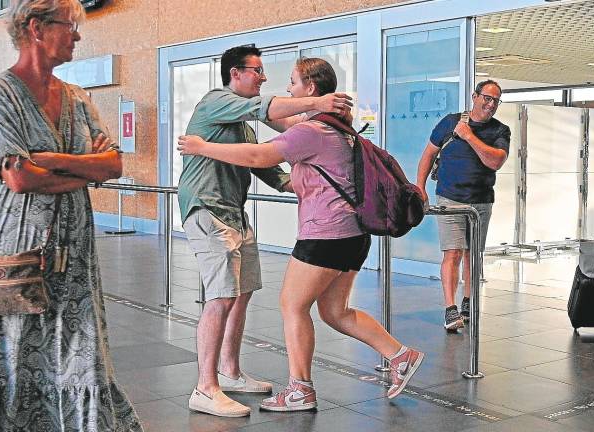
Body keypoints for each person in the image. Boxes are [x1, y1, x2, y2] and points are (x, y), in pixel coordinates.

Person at [178, 57, 425, 412]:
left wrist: (202, 147)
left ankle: (300, 390)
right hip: (354, 235)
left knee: (292, 306)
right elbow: (281, 143)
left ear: (310, 89)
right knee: (335, 311)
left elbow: (259, 155)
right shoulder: (339, 129)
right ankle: (401, 355)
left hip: (324, 234)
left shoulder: (311, 131)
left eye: (292, 83)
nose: (286, 90)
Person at [0, 1, 143, 430]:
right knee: (15, 348)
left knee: (82, 349)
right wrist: (81, 168)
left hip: (74, 251)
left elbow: (113, 164)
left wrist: (49, 161)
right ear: (37, 28)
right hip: (17, 248)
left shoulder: (77, 98)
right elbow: (20, 179)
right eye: (71, 26)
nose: (77, 35)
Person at [178, 45, 354, 418]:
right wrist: (320, 102)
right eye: (257, 71)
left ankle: (229, 371)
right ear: (235, 73)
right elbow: (269, 112)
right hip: (208, 210)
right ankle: (204, 388)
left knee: (241, 294)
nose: (263, 78)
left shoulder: (239, 121)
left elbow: (260, 160)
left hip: (234, 214)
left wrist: (295, 182)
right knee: (221, 297)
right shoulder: (217, 100)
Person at [415, 80, 510, 331]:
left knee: (472, 254)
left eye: (495, 101)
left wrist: (468, 136)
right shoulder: (449, 122)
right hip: (450, 197)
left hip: (481, 201)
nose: (490, 105)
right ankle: (450, 308)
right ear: (474, 96)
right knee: (453, 252)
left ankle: (468, 300)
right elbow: (428, 154)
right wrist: (420, 187)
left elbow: (495, 162)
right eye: (486, 98)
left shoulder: (500, 131)